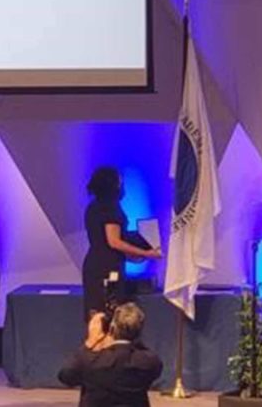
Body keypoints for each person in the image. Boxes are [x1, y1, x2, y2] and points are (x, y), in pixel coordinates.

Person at [82, 167, 161, 321]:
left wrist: (132, 255)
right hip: (106, 269)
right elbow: (114, 242)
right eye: (120, 182)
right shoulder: (110, 208)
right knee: (109, 311)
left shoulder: (93, 207)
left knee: (96, 314)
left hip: (95, 266)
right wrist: (146, 253)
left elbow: (104, 242)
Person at [58, 303, 164, 407]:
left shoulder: (91, 361)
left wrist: (90, 342)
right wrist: (133, 335)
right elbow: (151, 361)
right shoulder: (149, 362)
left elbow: (66, 376)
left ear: (112, 329)